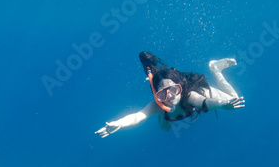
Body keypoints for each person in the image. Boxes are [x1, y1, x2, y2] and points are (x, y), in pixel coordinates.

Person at [95, 51, 245, 137]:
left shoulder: (189, 96)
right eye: (163, 94)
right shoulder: (159, 105)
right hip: (167, 115)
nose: (170, 97)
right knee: (165, 128)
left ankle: (215, 68)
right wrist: (119, 124)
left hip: (196, 89)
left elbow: (205, 102)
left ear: (179, 88)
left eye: (173, 90)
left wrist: (223, 105)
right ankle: (153, 79)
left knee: (234, 98)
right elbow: (137, 116)